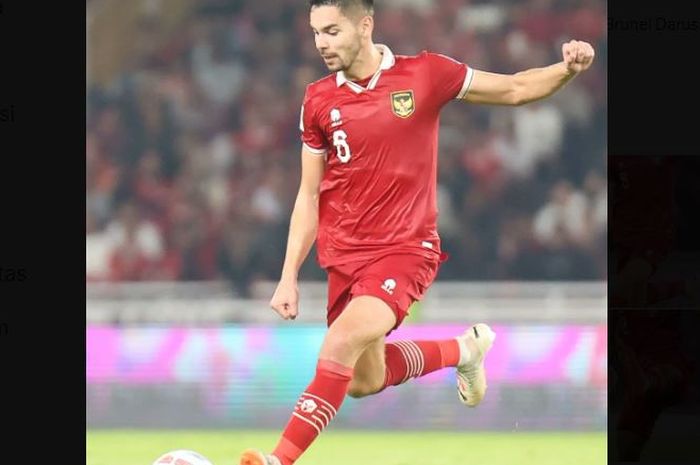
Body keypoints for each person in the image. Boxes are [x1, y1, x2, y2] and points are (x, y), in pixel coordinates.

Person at [240, 1, 595, 464]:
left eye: (331, 31)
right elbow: (309, 195)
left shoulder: (425, 74)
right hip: (344, 257)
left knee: (340, 342)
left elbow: (514, 89)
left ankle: (277, 460)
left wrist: (566, 68)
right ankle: (463, 350)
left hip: (404, 250)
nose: (321, 43)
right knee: (364, 381)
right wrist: (288, 275)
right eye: (315, 33)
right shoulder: (318, 100)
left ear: (364, 25)